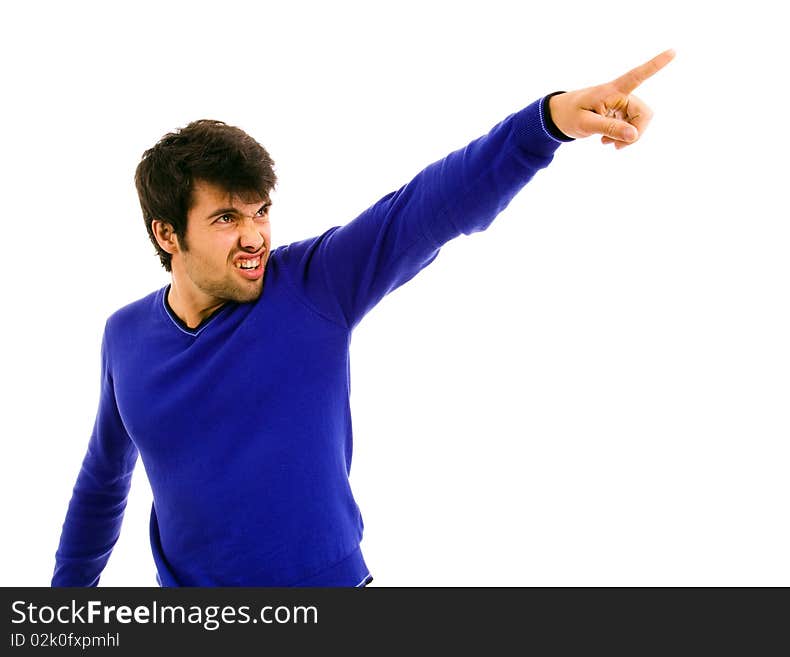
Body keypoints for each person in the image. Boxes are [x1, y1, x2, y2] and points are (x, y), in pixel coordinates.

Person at [51, 49, 676, 587]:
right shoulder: (125, 336)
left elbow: (425, 207)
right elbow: (102, 486)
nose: (254, 236)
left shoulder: (311, 285)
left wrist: (546, 124)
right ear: (167, 234)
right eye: (225, 219)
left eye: (260, 211)